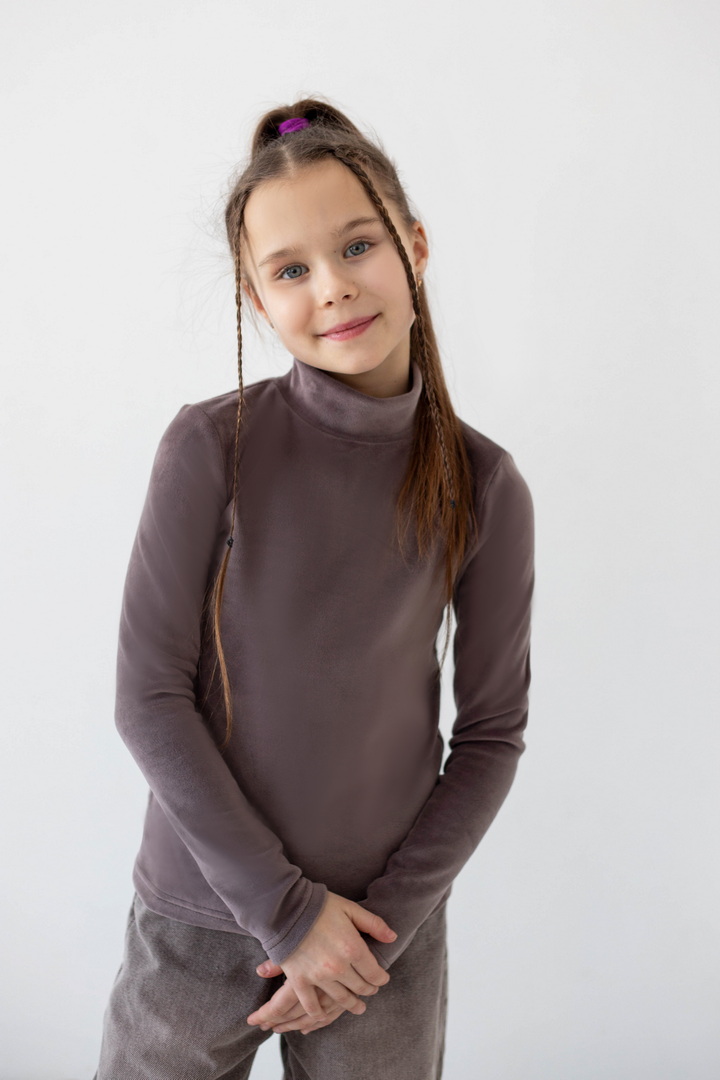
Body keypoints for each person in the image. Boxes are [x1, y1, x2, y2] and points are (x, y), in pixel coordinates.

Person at [93, 96, 535, 1080]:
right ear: (258, 299)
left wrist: (377, 934)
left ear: (415, 247)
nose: (332, 287)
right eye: (290, 270)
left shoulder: (485, 486)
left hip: (383, 938)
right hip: (200, 918)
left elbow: (492, 733)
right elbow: (148, 697)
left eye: (358, 246)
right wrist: (288, 914)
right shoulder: (210, 447)